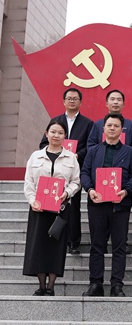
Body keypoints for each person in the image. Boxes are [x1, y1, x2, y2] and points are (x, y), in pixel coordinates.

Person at [80, 113, 132, 297]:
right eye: (109, 125)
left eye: (116, 126)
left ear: (121, 130)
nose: (112, 128)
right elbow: (84, 173)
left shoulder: (130, 152)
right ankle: (95, 284)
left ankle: (117, 285)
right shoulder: (93, 151)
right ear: (103, 128)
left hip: (120, 205)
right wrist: (90, 189)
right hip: (97, 204)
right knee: (97, 245)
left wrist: (126, 190)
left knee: (119, 247)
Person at [24, 120, 81, 296]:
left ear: (65, 136)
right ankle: (41, 285)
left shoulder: (71, 158)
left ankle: (51, 286)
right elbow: (29, 183)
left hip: (60, 208)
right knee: (39, 246)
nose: (56, 135)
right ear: (46, 133)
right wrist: (33, 201)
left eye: (60, 133)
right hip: (39, 209)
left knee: (56, 247)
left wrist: (67, 193)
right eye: (53, 132)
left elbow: (76, 182)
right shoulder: (35, 156)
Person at [39, 88, 93, 255]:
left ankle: (73, 241)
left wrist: (77, 155)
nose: (72, 101)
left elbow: (90, 147)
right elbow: (43, 144)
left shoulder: (87, 123)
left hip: (74, 169)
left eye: (75, 98)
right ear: (63, 101)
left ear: (80, 102)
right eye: (69, 98)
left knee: (73, 206)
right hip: (54, 170)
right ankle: (52, 237)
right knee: (50, 204)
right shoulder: (55, 121)